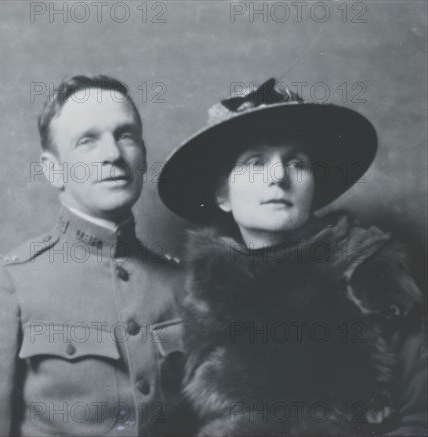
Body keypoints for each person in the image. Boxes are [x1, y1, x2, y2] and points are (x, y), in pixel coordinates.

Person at [158, 79, 427, 435]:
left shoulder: (367, 274)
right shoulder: (198, 297)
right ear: (223, 195)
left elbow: (418, 418)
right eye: (255, 162)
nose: (279, 177)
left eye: (296, 163)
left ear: (313, 187)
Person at [0, 75, 191, 436]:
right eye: (87, 140)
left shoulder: (182, 287)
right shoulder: (5, 285)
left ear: (143, 157)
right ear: (53, 169)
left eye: (125, 135)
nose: (113, 154)